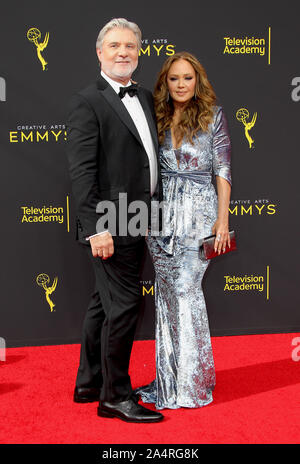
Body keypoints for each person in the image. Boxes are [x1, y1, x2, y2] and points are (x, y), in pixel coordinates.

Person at [66, 18, 163, 423]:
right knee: (124, 305)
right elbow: (82, 173)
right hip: (109, 224)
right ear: (99, 51)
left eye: (131, 46)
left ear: (139, 53)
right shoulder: (88, 101)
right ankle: (115, 396)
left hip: (139, 218)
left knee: (103, 305)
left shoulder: (143, 96)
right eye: (115, 45)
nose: (124, 52)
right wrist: (96, 229)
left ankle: (89, 382)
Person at [135, 52, 232, 409]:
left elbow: (223, 170)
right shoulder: (155, 118)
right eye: (174, 78)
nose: (180, 85)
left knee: (187, 292)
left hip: (198, 215)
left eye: (187, 78)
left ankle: (192, 383)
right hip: (161, 219)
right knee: (166, 296)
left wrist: (221, 219)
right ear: (165, 82)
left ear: (197, 81)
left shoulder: (214, 117)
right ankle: (169, 379)